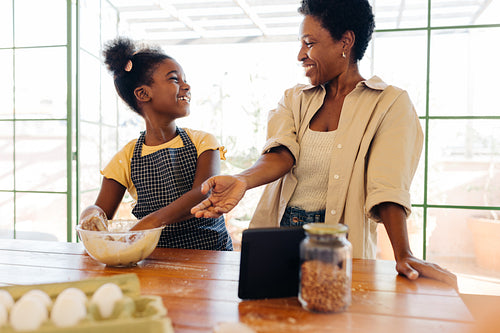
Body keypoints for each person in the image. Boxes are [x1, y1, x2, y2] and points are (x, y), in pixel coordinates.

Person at [191, 0, 457, 286]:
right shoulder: (294, 99)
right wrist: (242, 180)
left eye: (309, 43)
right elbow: (280, 155)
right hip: (280, 234)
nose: (300, 55)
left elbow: (387, 186)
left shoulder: (389, 104)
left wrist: (403, 253)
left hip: (337, 243)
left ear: (345, 41)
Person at [80, 37, 232, 251]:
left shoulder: (203, 142)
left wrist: (147, 224)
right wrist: (91, 214)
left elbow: (202, 191)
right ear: (143, 94)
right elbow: (100, 209)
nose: (186, 86)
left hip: (210, 256)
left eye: (184, 79)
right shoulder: (127, 156)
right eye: (174, 79)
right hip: (154, 258)